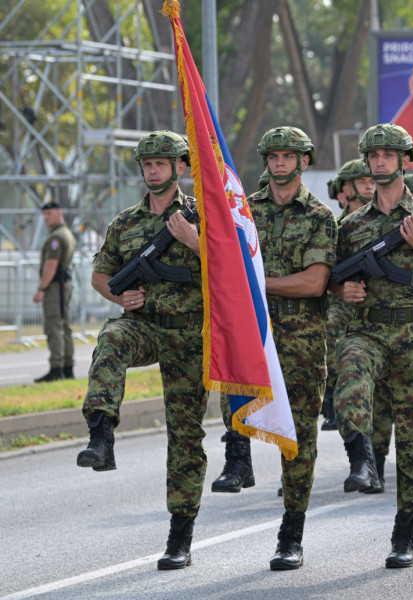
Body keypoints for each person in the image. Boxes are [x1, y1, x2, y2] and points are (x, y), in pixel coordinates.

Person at [330, 123, 413, 568]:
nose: (381, 161)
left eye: (389, 154)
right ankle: (361, 459)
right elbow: (330, 280)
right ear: (367, 163)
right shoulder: (350, 226)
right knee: (349, 367)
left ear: (403, 160)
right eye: (374, 156)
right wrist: (341, 292)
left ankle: (405, 530)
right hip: (367, 330)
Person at [76, 130, 207, 569]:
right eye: (147, 164)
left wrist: (191, 239)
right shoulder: (125, 223)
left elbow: (233, 267)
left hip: (191, 335)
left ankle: (180, 537)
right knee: (111, 336)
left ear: (180, 168)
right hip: (145, 326)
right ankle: (101, 433)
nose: (152, 170)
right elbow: (101, 275)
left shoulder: (203, 215)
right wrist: (120, 299)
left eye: (161, 163)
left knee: (185, 434)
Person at [242, 126, 338, 569]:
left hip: (301, 342)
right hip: (252, 337)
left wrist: (260, 285)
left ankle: (291, 533)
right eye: (274, 156)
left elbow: (314, 282)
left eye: (289, 156)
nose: (280, 162)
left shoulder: (319, 216)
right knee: (232, 406)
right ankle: (236, 460)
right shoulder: (243, 211)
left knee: (298, 438)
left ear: (304, 162)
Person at [33, 200, 76, 382]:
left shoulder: (55, 238)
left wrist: (42, 288)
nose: (46, 218)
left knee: (54, 326)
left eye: (49, 214)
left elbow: (51, 265)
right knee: (64, 325)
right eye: (44, 214)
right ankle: (67, 368)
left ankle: (56, 368)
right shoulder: (66, 233)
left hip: (55, 287)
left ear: (59, 213)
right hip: (64, 285)